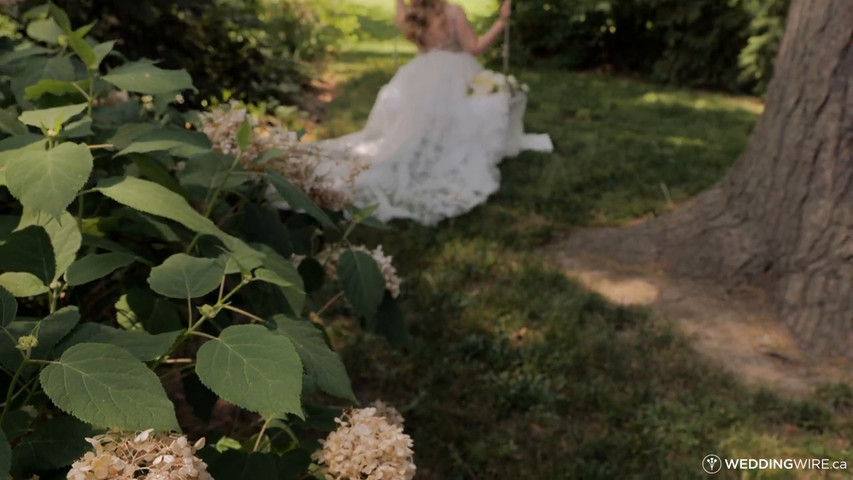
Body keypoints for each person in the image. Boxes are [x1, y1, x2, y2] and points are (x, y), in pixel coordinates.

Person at [317, 0, 553, 226]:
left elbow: (400, 16)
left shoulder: (411, 15)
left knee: (420, 120)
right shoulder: (452, 12)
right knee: (459, 111)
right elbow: (475, 48)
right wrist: (501, 21)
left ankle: (429, 144)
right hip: (455, 73)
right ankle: (448, 145)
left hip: (420, 75)